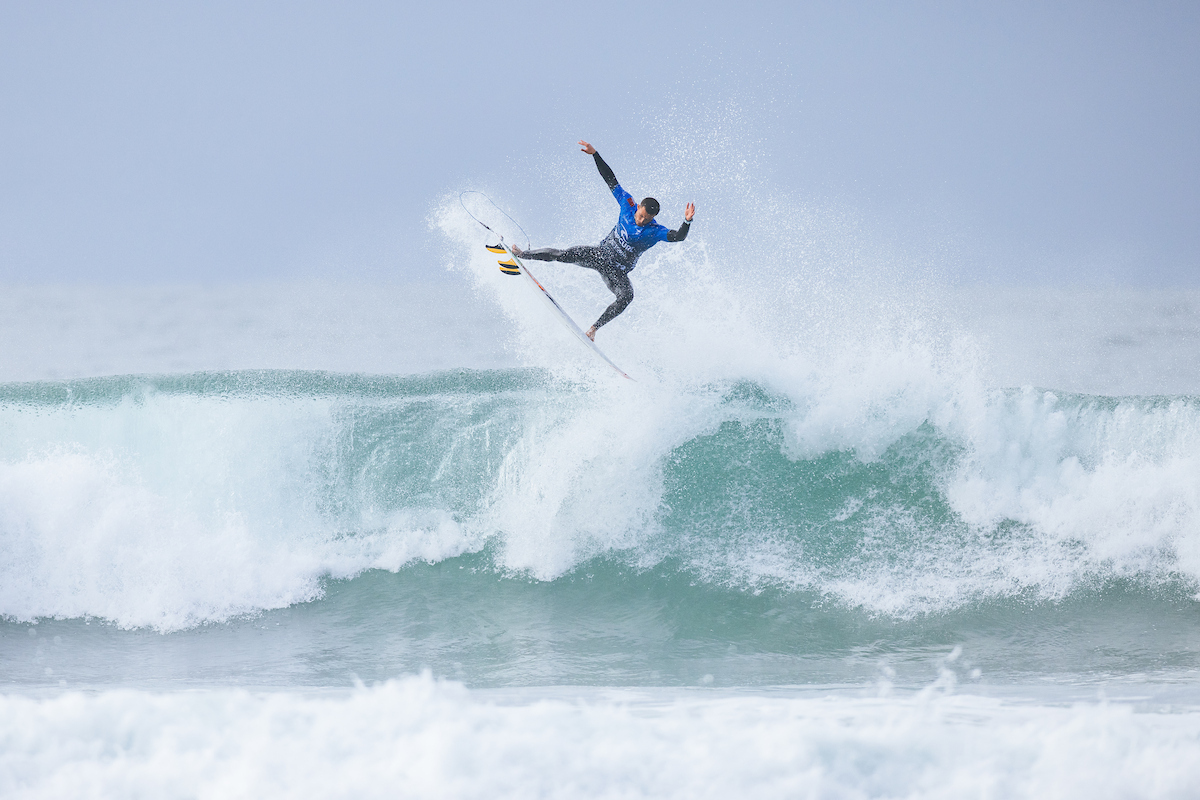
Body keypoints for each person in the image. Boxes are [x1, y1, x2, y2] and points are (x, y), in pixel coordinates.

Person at [513, 140, 695, 340]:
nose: (642, 220)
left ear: (653, 218)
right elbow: (610, 179)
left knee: (627, 297)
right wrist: (595, 154)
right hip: (599, 255)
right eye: (641, 215)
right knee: (564, 254)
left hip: (616, 271)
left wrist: (687, 221)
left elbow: (678, 237)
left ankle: (593, 329)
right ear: (639, 207)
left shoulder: (655, 231)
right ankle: (522, 255)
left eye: (646, 219)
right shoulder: (628, 204)